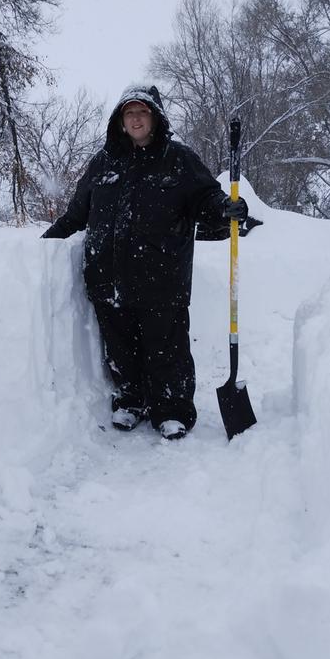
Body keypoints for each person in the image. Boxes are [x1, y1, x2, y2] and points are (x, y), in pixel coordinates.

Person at [42, 83, 248, 441]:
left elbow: (206, 199)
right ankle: (131, 401)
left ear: (154, 118)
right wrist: (41, 249)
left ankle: (171, 409)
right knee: (120, 348)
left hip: (162, 279)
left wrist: (225, 208)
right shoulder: (104, 163)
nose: (136, 119)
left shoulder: (178, 159)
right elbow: (77, 214)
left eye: (142, 112)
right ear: (120, 121)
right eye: (129, 113)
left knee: (166, 347)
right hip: (109, 278)